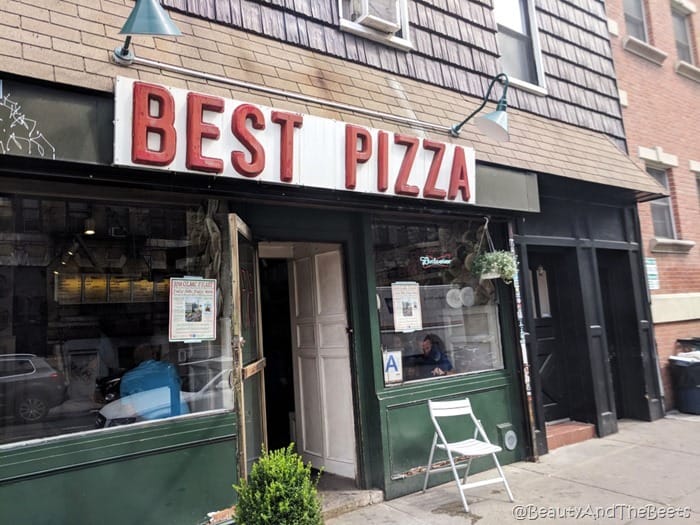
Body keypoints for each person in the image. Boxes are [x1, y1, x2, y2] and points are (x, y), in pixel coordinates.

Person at [120, 344, 188, 418]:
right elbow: (178, 387)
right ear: (154, 355)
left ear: (135, 360)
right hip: (181, 416)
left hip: (152, 423)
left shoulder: (127, 379)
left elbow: (130, 412)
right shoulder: (169, 368)